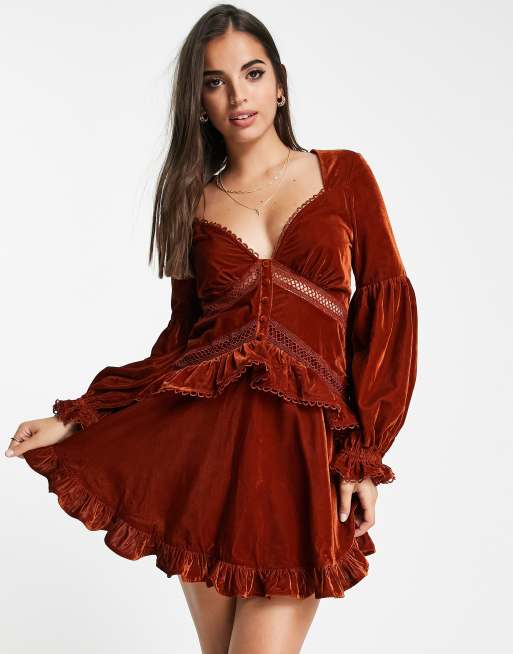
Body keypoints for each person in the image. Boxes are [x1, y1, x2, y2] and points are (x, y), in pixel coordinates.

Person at [5, 5, 418, 654]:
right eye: (214, 82)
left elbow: (386, 317)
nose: (237, 96)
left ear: (279, 83)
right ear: (197, 101)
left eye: (252, 73)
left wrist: (362, 456)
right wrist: (80, 419)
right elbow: (180, 345)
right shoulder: (189, 203)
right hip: (205, 462)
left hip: (301, 459)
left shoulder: (345, 176)